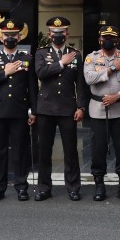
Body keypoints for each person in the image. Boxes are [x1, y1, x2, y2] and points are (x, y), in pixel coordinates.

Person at [0, 19, 37, 202]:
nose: (10, 38)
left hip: (20, 111)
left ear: (19, 37)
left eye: (13, 35)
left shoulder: (27, 58)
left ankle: (21, 186)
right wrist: (5, 72)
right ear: (1, 37)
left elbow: (33, 87)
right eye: (6, 35)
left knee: (20, 150)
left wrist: (34, 111)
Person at [33, 16, 87, 202]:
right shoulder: (41, 54)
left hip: (67, 108)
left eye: (61, 32)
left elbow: (80, 83)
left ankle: (73, 187)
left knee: (70, 150)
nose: (58, 35)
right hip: (46, 108)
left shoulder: (76, 54)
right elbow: (41, 73)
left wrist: (81, 106)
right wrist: (61, 63)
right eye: (54, 33)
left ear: (67, 33)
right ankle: (43, 188)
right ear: (49, 34)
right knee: (44, 151)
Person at [83, 25, 120, 201]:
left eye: (111, 38)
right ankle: (99, 186)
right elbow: (89, 78)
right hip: (98, 112)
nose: (107, 41)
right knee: (98, 150)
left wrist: (117, 96)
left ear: (117, 41)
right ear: (99, 40)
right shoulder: (91, 58)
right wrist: (111, 68)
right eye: (104, 38)